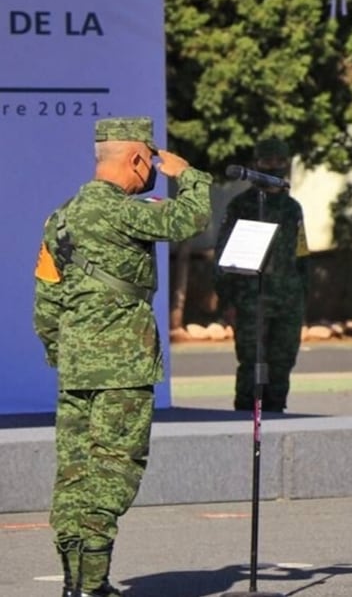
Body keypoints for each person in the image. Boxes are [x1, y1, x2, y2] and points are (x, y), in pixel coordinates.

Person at [33, 117, 212, 597]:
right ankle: (92, 586)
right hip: (123, 367)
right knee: (113, 469)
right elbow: (189, 219)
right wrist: (188, 175)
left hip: (76, 369)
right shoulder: (122, 211)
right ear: (136, 159)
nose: (151, 170)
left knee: (75, 473)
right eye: (149, 161)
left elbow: (45, 301)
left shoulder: (62, 217)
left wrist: (65, 352)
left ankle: (76, 582)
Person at [215, 137, 310, 413]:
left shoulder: (293, 209)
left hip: (287, 301)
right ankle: (246, 424)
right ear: (255, 164)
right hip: (250, 302)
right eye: (268, 161)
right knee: (252, 367)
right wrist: (227, 300)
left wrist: (304, 299)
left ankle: (276, 418)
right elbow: (223, 256)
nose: (275, 166)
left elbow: (302, 254)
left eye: (280, 161)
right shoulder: (241, 206)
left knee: (281, 367)